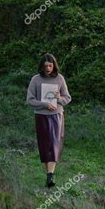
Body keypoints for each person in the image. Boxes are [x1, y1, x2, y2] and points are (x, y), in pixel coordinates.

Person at [26, 53, 71, 187]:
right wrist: (44, 104)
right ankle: (48, 174)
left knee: (54, 143)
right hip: (41, 115)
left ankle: (50, 176)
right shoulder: (35, 79)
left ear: (54, 66)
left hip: (57, 115)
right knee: (45, 145)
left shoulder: (60, 79)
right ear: (42, 66)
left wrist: (58, 99)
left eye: (50, 66)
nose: (48, 68)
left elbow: (67, 98)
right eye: (45, 66)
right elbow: (30, 100)